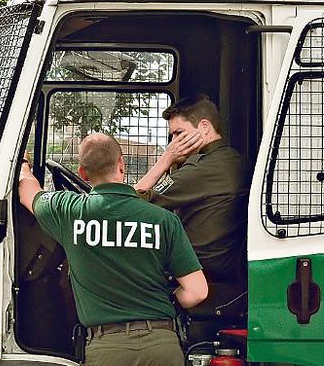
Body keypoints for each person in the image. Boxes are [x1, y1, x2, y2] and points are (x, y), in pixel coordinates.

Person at [18, 133, 208, 366]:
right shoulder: (164, 220)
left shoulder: (68, 211)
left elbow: (27, 191)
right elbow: (197, 291)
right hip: (162, 345)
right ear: (121, 165)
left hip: (107, 349)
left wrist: (24, 165)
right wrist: (166, 301)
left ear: (82, 173)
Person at [134, 94, 247, 283]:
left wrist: (166, 159)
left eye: (179, 133)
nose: (174, 142)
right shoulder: (233, 159)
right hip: (222, 262)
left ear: (204, 127)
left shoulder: (202, 168)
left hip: (195, 267)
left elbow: (128, 202)